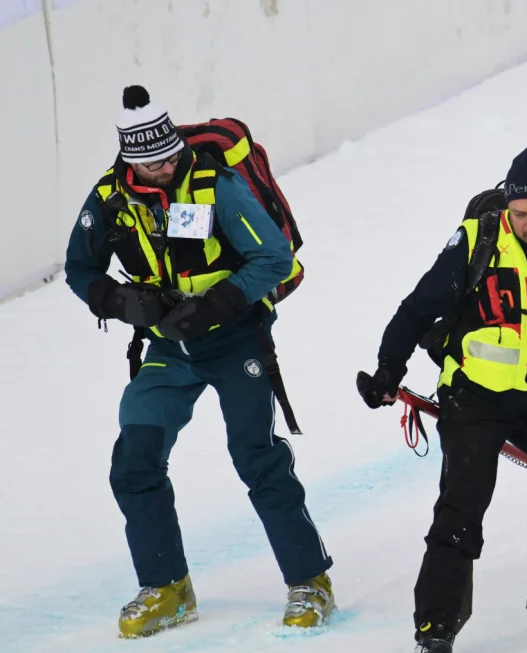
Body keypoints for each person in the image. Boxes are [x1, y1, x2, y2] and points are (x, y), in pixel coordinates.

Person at [63, 86, 334, 638]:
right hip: (167, 350)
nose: (165, 166)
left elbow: (274, 258)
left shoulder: (218, 185)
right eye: (151, 161)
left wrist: (220, 304)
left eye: (169, 154)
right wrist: (118, 301)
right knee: (134, 461)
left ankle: (310, 581)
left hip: (235, 341)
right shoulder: (109, 197)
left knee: (256, 456)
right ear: (130, 161)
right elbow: (78, 267)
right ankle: (167, 587)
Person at [359, 145, 527, 653]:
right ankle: (436, 627)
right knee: (461, 509)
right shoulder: (477, 241)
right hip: (474, 399)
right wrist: (389, 369)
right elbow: (415, 311)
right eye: (519, 213)